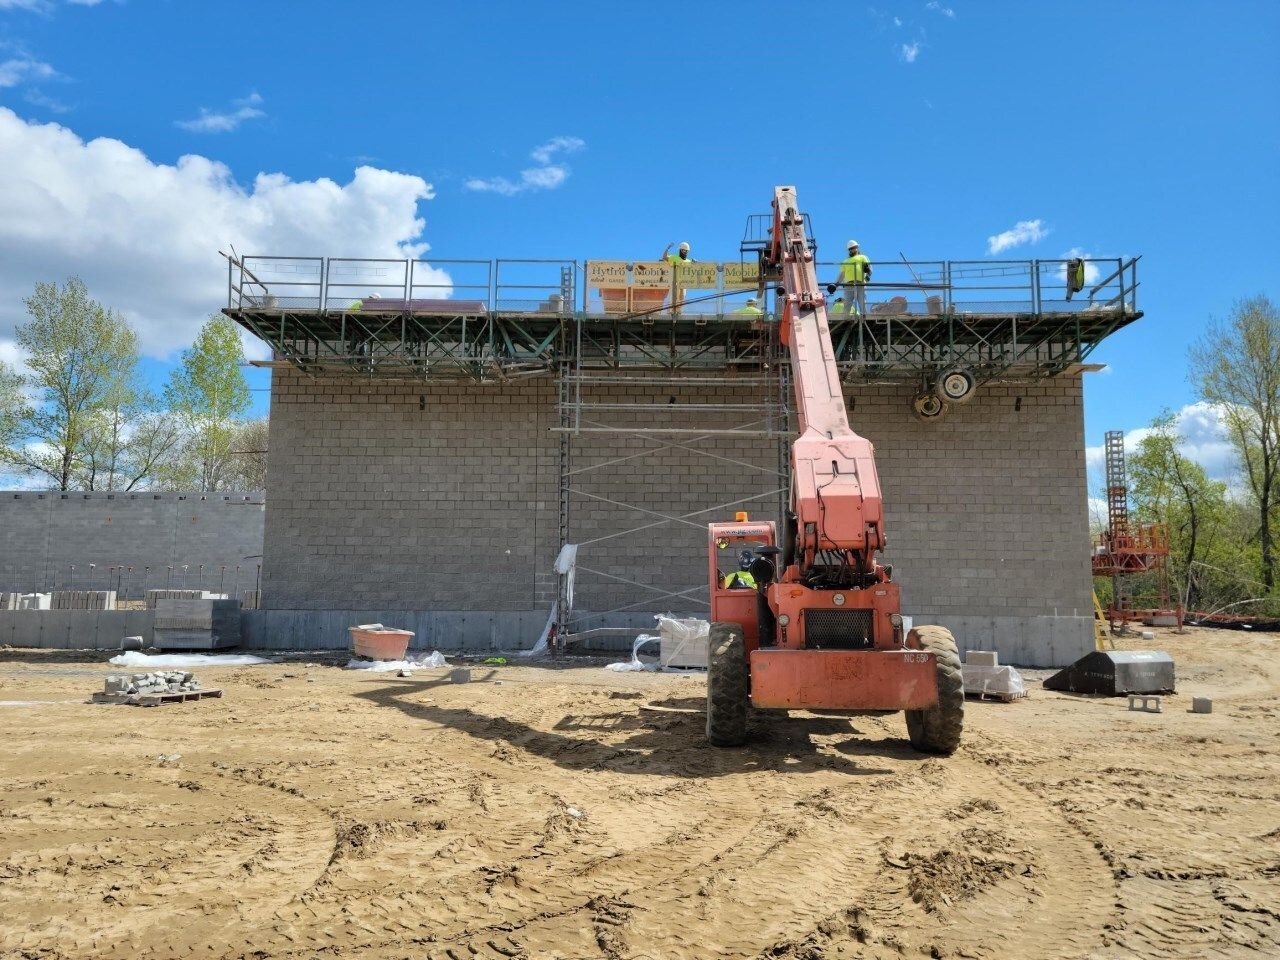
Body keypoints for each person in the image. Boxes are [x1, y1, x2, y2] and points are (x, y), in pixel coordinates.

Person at [834, 240, 871, 316]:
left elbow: (870, 268)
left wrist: (868, 275)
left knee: (862, 302)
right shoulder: (845, 261)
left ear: (857, 248)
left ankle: (864, 317)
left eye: (853, 248)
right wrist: (836, 284)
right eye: (850, 249)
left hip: (860, 283)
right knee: (847, 303)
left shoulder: (863, 257)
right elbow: (842, 274)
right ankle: (846, 319)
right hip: (849, 285)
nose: (851, 250)